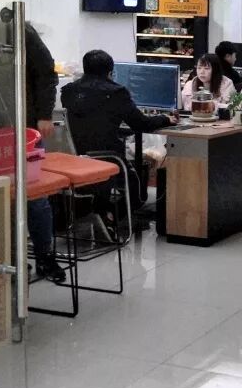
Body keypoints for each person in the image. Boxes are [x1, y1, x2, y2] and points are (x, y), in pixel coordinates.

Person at [61, 50, 178, 224]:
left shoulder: (68, 90)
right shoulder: (116, 92)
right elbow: (141, 124)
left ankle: (101, 212)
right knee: (138, 194)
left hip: (77, 158)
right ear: (110, 72)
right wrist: (166, 119)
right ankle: (109, 219)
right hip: (108, 158)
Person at [25, 24, 66, 284]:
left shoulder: (19, 30)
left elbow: (47, 74)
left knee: (35, 196)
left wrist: (44, 115)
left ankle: (45, 256)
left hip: (27, 128)